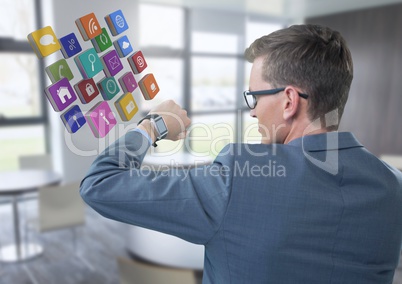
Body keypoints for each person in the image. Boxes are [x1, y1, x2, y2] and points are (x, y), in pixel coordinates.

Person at [80, 24, 402, 283]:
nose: (252, 112)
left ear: (289, 101)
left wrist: (154, 126)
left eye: (255, 98)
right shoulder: (394, 187)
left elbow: (100, 183)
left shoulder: (238, 177)